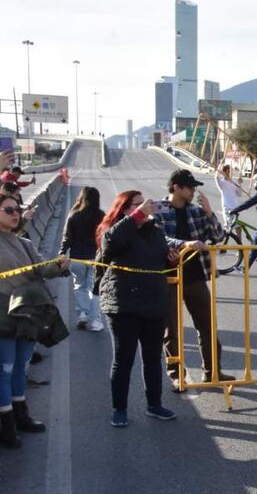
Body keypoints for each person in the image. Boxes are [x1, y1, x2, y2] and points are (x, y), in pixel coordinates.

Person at [96, 191, 176, 427]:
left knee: (153, 358)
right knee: (124, 360)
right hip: (123, 304)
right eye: (138, 204)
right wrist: (138, 216)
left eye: (146, 203)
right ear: (125, 209)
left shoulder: (154, 231)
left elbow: (161, 259)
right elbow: (108, 243)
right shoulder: (116, 229)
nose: (145, 208)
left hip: (153, 303)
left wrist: (172, 259)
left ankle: (154, 404)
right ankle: (119, 408)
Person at [152, 169, 233, 391]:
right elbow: (158, 237)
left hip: (195, 276)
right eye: (189, 187)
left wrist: (209, 213)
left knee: (207, 325)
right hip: (168, 277)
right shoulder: (158, 210)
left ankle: (213, 371)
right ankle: (177, 376)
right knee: (172, 330)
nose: (193, 191)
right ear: (176, 187)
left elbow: (217, 237)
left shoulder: (196, 211)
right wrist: (183, 244)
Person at [0, 195, 69, 448]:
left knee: (21, 367)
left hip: (27, 315)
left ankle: (21, 416)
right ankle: (6, 426)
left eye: (17, 209)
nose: (15, 213)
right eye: (8, 209)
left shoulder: (24, 243)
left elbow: (42, 269)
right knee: (4, 371)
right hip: (2, 316)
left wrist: (59, 266)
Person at [59, 186, 105, 331]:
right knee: (94, 289)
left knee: (79, 286)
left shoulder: (74, 215)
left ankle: (83, 313)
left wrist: (62, 253)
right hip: (95, 258)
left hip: (77, 258)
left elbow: (67, 238)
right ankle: (96, 320)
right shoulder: (102, 216)